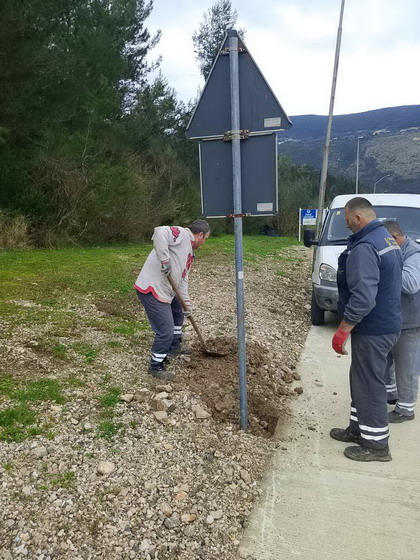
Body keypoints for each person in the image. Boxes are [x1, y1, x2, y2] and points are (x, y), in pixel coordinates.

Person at [330, 197, 402, 462]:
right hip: (387, 324)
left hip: (373, 329)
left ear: (358, 218)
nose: (347, 224)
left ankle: (376, 446)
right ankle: (358, 429)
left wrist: (343, 329)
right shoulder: (386, 239)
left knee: (370, 385)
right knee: (361, 379)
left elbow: (363, 298)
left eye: (348, 220)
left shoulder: (365, 247)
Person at [135, 219, 210, 380]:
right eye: (205, 239)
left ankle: (174, 345)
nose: (204, 243)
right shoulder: (182, 234)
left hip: (168, 289)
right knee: (166, 330)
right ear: (200, 235)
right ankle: (156, 366)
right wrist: (164, 259)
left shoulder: (189, 253)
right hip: (153, 288)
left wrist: (186, 304)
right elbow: (160, 232)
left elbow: (182, 280)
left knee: (178, 310)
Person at [383, 220, 420, 422]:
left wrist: (384, 270)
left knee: (407, 367)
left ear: (394, 237)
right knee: (388, 359)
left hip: (410, 322)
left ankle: (406, 409)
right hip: (395, 318)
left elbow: (411, 284)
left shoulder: (414, 254)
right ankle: (391, 394)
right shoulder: (398, 250)